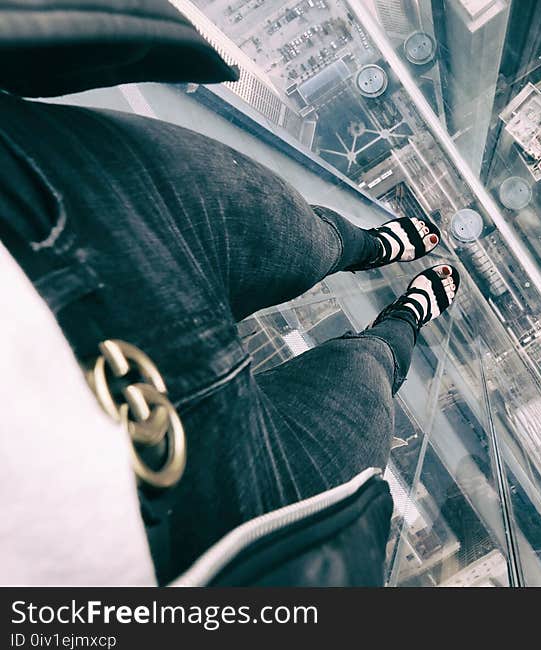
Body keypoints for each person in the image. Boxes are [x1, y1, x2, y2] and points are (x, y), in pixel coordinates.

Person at [0, 90, 460, 585]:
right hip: (212, 545)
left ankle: (372, 247)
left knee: (307, 242)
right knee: (367, 369)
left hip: (49, 220)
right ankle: (407, 313)